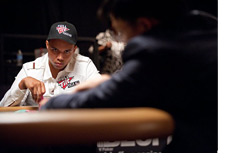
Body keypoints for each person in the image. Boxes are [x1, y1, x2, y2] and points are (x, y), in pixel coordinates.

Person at [41, 0, 217, 153]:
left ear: (144, 26)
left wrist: (51, 103)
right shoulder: (210, 33)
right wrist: (112, 83)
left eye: (120, 32)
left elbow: (98, 102)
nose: (122, 41)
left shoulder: (155, 53)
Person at [0, 21, 100, 107]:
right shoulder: (30, 69)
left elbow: (102, 97)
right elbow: (3, 108)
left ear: (74, 49)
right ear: (47, 45)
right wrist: (22, 84)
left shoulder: (85, 65)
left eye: (66, 51)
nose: (60, 57)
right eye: (55, 50)